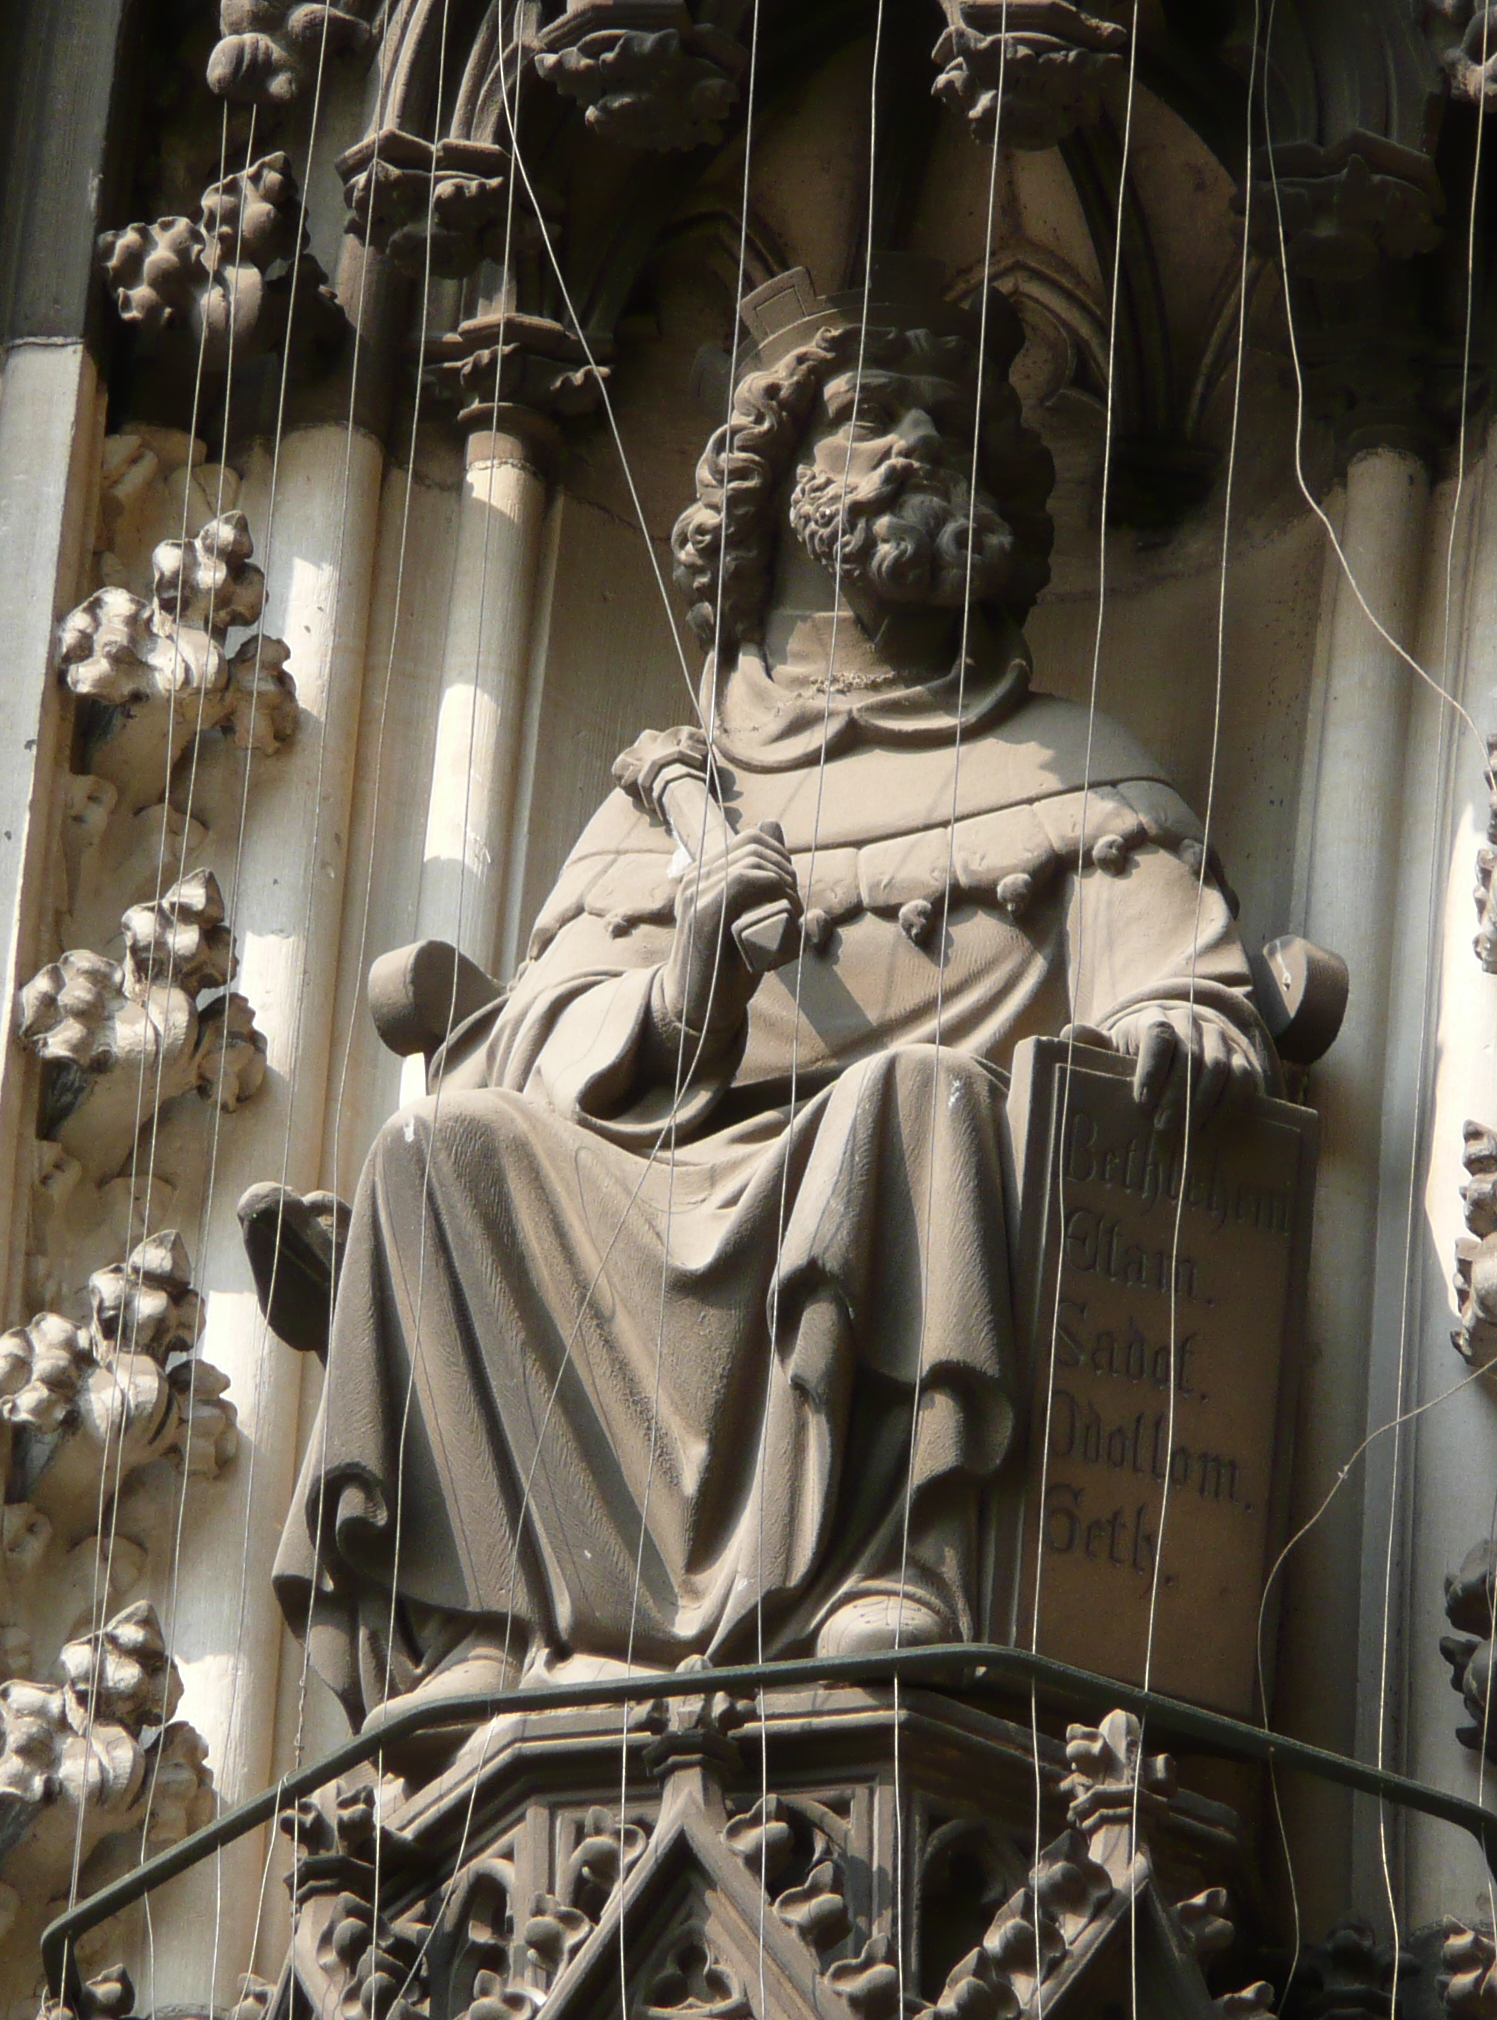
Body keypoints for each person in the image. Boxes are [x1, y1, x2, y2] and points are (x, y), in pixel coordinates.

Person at [275, 257, 1267, 1731]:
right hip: (663, 1174)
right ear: (775, 486)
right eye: (868, 415)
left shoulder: (1076, 768)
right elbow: (529, 1039)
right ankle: (478, 1612)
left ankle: (897, 1565)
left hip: (911, 1183)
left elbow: (1177, 984)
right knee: (445, 1152)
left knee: (907, 1095)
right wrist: (687, 993)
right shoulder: (673, 793)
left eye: (951, 427)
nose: (919, 446)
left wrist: (1183, 1022)